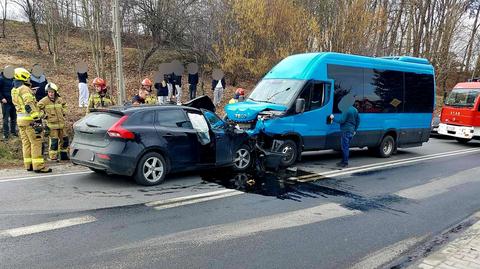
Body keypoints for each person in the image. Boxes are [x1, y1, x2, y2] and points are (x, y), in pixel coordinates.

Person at [11, 67, 51, 173]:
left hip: (20, 121)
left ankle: (28, 165)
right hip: (30, 121)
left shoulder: (14, 90)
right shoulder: (24, 89)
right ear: (23, 77)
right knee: (36, 142)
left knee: (26, 143)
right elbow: (29, 105)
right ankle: (38, 166)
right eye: (27, 77)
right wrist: (37, 119)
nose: (29, 79)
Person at [38, 83, 69, 161]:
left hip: (62, 125)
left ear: (55, 92)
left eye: (52, 92)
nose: (51, 93)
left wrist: (63, 112)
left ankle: (64, 156)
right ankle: (53, 157)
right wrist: (44, 115)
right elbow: (37, 109)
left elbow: (65, 106)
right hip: (52, 126)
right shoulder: (44, 101)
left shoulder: (60, 100)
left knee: (65, 140)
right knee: (54, 142)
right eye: (49, 92)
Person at [329, 103, 360, 168]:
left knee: (345, 148)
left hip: (346, 131)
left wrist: (333, 118)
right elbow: (358, 121)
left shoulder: (346, 109)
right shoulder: (355, 110)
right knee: (346, 147)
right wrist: (355, 130)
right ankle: (343, 161)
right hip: (351, 131)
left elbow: (342, 121)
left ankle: (345, 162)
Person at [0, 67, 17, 140]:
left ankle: (13, 131)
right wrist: (2, 98)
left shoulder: (14, 78)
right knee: (5, 118)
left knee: (14, 117)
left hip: (14, 101)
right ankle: (5, 134)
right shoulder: (1, 79)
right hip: (5, 102)